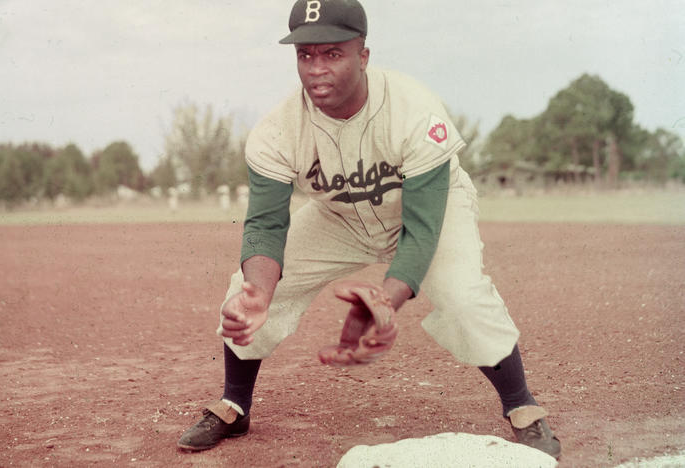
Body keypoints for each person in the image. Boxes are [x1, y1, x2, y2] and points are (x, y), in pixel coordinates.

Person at [177, 0, 561, 458]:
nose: (316, 68)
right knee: (247, 289)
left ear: (363, 54)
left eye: (333, 53)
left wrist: (385, 298)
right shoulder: (276, 132)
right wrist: (260, 291)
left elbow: (420, 230)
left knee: (462, 294)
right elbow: (264, 225)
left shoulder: (414, 109)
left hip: (426, 210)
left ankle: (522, 407)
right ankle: (234, 404)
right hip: (338, 215)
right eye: (305, 55)